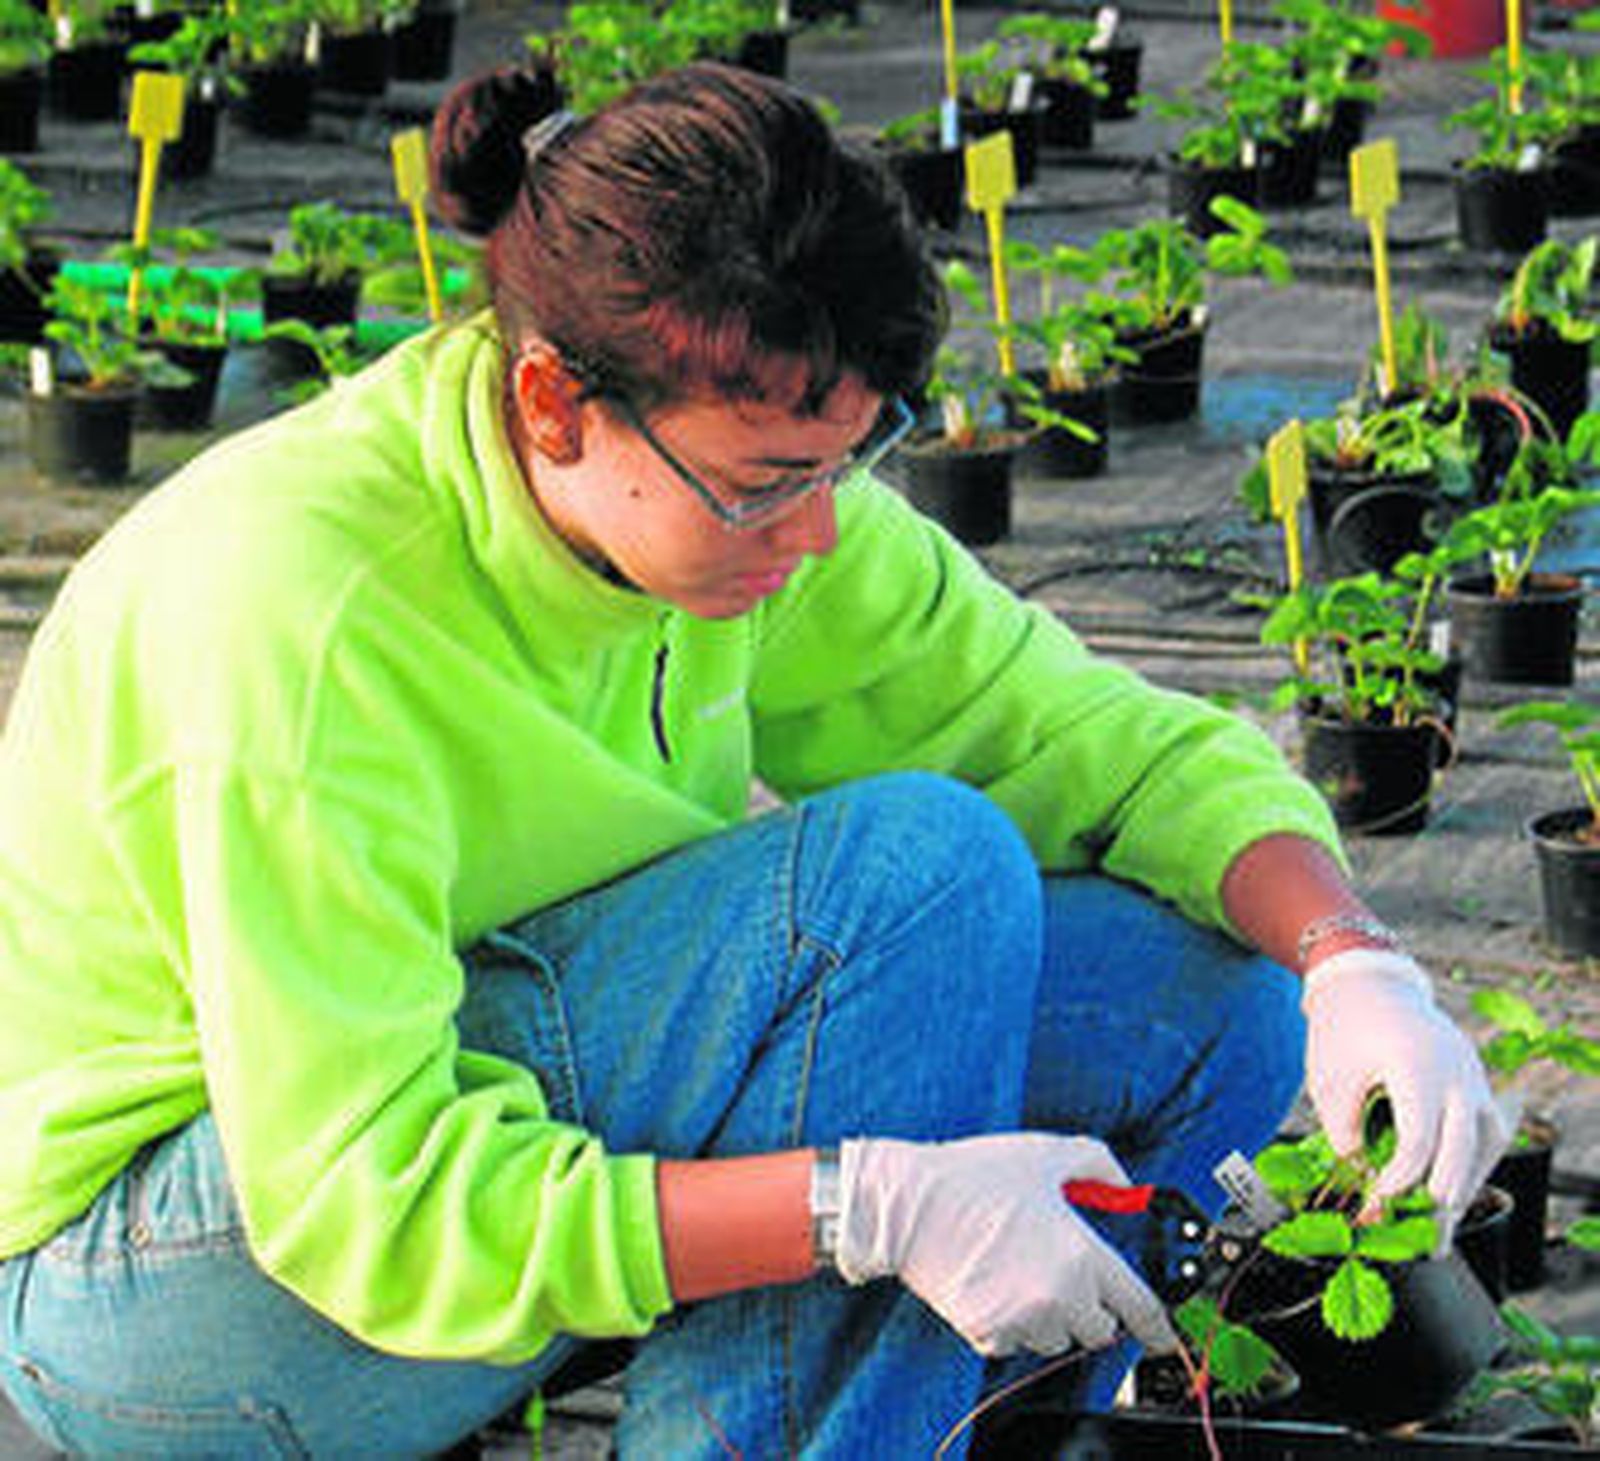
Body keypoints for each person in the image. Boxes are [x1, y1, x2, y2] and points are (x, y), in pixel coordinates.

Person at [0, 59, 1506, 1459]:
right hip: (177, 1291)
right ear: (553, 405)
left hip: (478, 1156)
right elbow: (367, 1207)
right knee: (912, 888)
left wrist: (1352, 960)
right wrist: (868, 1205)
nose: (818, 534)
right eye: (763, 485)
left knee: (1206, 995)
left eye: (847, 465)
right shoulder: (302, 615)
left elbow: (1082, 736)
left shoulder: (752, 513)